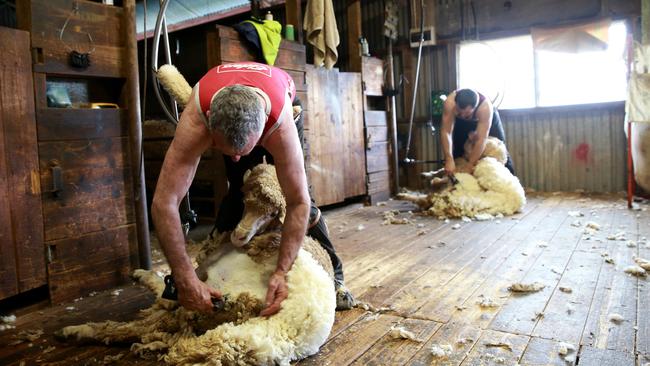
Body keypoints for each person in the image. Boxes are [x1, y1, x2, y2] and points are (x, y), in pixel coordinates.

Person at [151, 61, 354, 317]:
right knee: (238, 188)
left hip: (278, 106)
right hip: (233, 119)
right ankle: (215, 264)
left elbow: (297, 203)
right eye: (227, 151)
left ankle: (337, 278)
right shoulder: (196, 120)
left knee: (304, 197)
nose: (235, 159)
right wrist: (184, 277)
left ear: (263, 136)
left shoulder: (281, 125)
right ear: (211, 122)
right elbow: (164, 202)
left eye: (243, 152)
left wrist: (282, 272)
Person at [440, 88, 514, 175]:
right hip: (460, 123)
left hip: (485, 120)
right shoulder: (450, 103)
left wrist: (470, 165)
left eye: (466, 114)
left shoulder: (485, 108)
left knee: (498, 150)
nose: (463, 116)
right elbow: (446, 132)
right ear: (456, 104)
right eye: (459, 112)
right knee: (458, 154)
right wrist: (449, 159)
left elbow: (481, 139)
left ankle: (509, 181)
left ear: (474, 108)